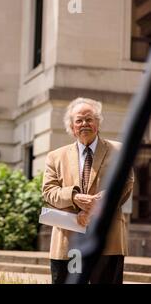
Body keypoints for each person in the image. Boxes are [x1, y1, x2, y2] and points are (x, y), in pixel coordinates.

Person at [42, 97, 134, 284]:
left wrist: (100, 203)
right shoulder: (55, 156)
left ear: (98, 123)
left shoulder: (119, 151)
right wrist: (74, 197)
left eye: (89, 119)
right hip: (67, 240)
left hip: (108, 240)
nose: (84, 124)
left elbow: (126, 182)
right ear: (72, 126)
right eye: (79, 120)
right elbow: (49, 191)